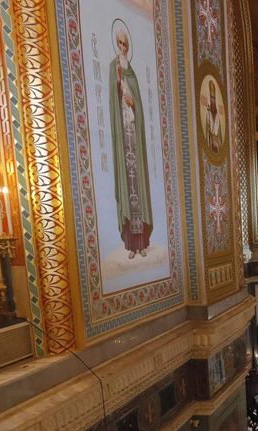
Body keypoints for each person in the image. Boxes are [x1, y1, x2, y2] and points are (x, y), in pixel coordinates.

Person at [109, 20, 154, 259]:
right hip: (123, 138)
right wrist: (118, 85)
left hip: (134, 138)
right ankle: (131, 247)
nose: (124, 47)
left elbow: (135, 100)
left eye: (126, 43)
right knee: (129, 189)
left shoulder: (133, 73)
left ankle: (143, 243)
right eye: (120, 43)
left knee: (140, 190)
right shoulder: (112, 68)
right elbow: (113, 99)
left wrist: (132, 102)